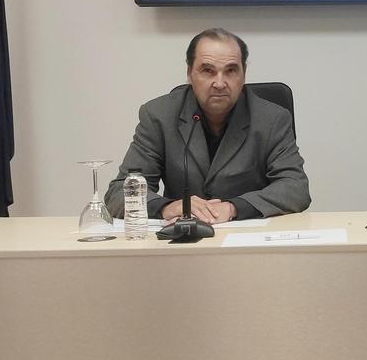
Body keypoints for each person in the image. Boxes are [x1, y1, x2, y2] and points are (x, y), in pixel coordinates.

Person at [105, 28, 310, 223]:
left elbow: (295, 188)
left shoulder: (272, 119)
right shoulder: (159, 116)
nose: (220, 83)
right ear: (190, 73)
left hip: (248, 243)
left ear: (244, 74)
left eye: (231, 71)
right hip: (182, 244)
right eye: (208, 70)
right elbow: (118, 194)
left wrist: (233, 208)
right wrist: (168, 208)